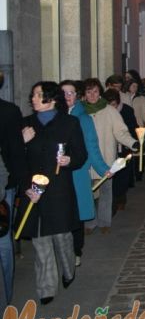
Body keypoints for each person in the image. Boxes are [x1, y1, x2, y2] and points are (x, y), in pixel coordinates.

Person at [18, 82, 87, 304]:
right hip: (34, 191)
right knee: (40, 241)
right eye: (33, 95)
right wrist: (21, 142)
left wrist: (69, 160)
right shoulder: (26, 125)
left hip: (59, 190)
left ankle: (68, 270)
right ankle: (46, 288)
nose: (34, 99)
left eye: (39, 95)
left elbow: (80, 155)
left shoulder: (70, 123)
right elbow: (14, 159)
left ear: (52, 99)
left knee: (62, 237)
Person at [60, 80, 110, 267]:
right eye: (64, 93)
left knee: (76, 212)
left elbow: (92, 147)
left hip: (77, 171)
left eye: (71, 93)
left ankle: (76, 250)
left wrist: (103, 169)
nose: (67, 97)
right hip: (58, 173)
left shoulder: (84, 118)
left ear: (78, 96)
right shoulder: (56, 116)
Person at [82, 78, 138, 234]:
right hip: (86, 160)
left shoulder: (109, 111)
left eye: (95, 91)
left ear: (100, 92)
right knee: (88, 191)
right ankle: (89, 222)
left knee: (106, 191)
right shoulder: (80, 112)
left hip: (105, 157)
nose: (92, 95)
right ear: (84, 94)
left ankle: (104, 221)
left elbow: (120, 131)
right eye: (88, 92)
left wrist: (132, 143)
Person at [0, 71, 28, 306]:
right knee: (3, 238)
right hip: (7, 181)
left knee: (3, 240)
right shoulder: (10, 111)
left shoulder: (8, 112)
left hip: (3, 183)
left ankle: (5, 297)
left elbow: (16, 152)